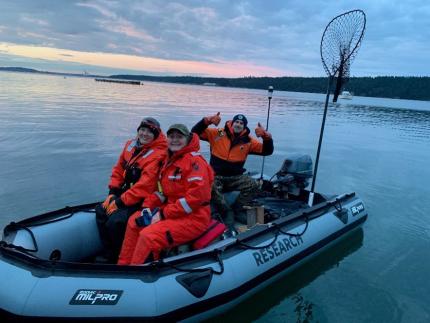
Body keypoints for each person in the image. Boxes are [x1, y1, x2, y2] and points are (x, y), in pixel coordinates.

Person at [118, 124, 214, 265]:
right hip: (171, 210)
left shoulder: (195, 162)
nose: (174, 140)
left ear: (187, 139)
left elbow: (195, 200)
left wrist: (163, 214)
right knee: (134, 221)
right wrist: (147, 206)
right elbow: (162, 192)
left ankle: (136, 273)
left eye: (179, 137)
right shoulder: (169, 160)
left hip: (194, 217)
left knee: (149, 236)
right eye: (171, 136)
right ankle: (123, 266)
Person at [96, 117, 168, 262]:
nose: (144, 134)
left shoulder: (159, 154)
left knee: (115, 222)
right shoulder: (131, 145)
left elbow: (145, 186)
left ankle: (117, 255)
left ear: (156, 134)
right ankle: (109, 252)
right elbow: (118, 169)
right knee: (101, 211)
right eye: (142, 130)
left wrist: (120, 202)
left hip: (143, 199)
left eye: (149, 132)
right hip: (125, 193)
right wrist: (113, 193)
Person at [191, 113, 273, 233]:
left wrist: (267, 138)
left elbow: (267, 151)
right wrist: (206, 121)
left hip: (235, 177)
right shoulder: (220, 133)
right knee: (210, 187)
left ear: (244, 127)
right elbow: (194, 133)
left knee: (254, 185)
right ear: (232, 123)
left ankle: (238, 209)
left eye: (241, 123)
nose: (238, 125)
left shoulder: (248, 140)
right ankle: (226, 212)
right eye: (237, 122)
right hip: (216, 176)